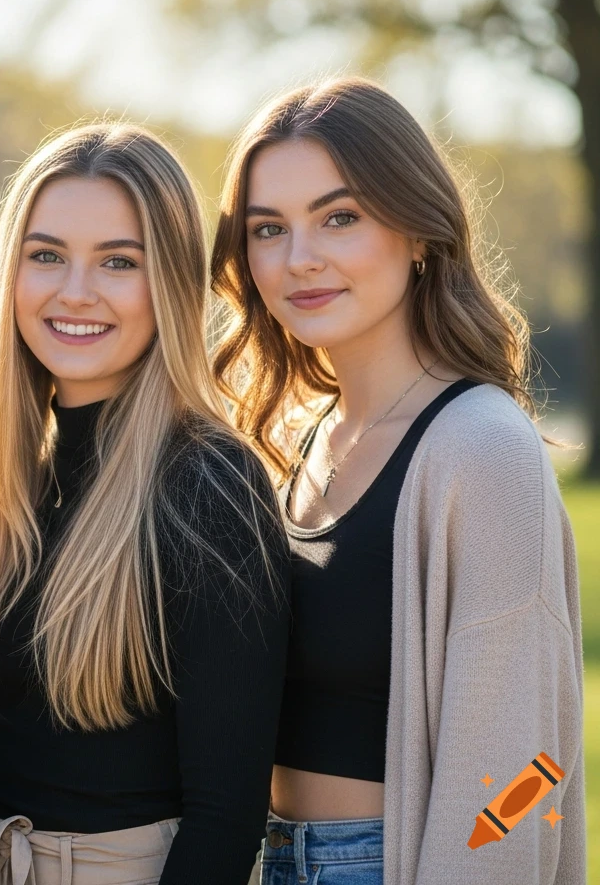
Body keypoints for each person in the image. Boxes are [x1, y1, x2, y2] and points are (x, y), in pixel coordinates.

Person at [211, 76, 586, 885]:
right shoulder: (291, 444)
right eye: (268, 228)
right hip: (268, 859)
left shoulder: (482, 451)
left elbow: (526, 771)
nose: (299, 258)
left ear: (419, 233)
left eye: (339, 217)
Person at [0, 122, 291, 885]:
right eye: (46, 256)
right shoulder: (17, 481)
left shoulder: (210, 486)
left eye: (118, 262)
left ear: (167, 283)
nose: (75, 292)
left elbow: (226, 821)